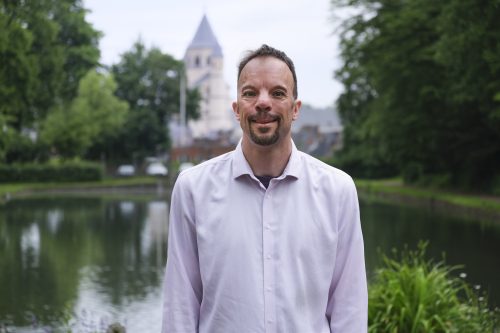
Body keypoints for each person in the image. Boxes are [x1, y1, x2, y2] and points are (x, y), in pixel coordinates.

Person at [162, 44, 367, 332]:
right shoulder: (193, 189)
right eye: (250, 93)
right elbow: (180, 306)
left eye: (277, 93)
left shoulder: (338, 191)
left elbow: (350, 308)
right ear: (236, 109)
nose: (263, 102)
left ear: (295, 109)